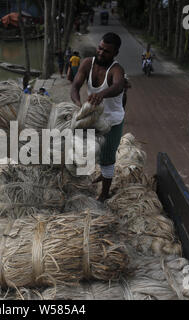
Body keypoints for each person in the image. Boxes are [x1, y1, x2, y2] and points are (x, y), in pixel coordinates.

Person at [70, 32, 126, 202]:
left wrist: (102, 94)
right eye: (100, 48)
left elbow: (117, 86)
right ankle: (93, 178)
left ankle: (103, 194)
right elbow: (75, 86)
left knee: (107, 159)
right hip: (92, 118)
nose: (101, 53)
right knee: (78, 150)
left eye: (106, 51)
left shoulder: (117, 70)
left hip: (112, 120)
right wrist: (79, 105)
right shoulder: (88, 63)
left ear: (115, 53)